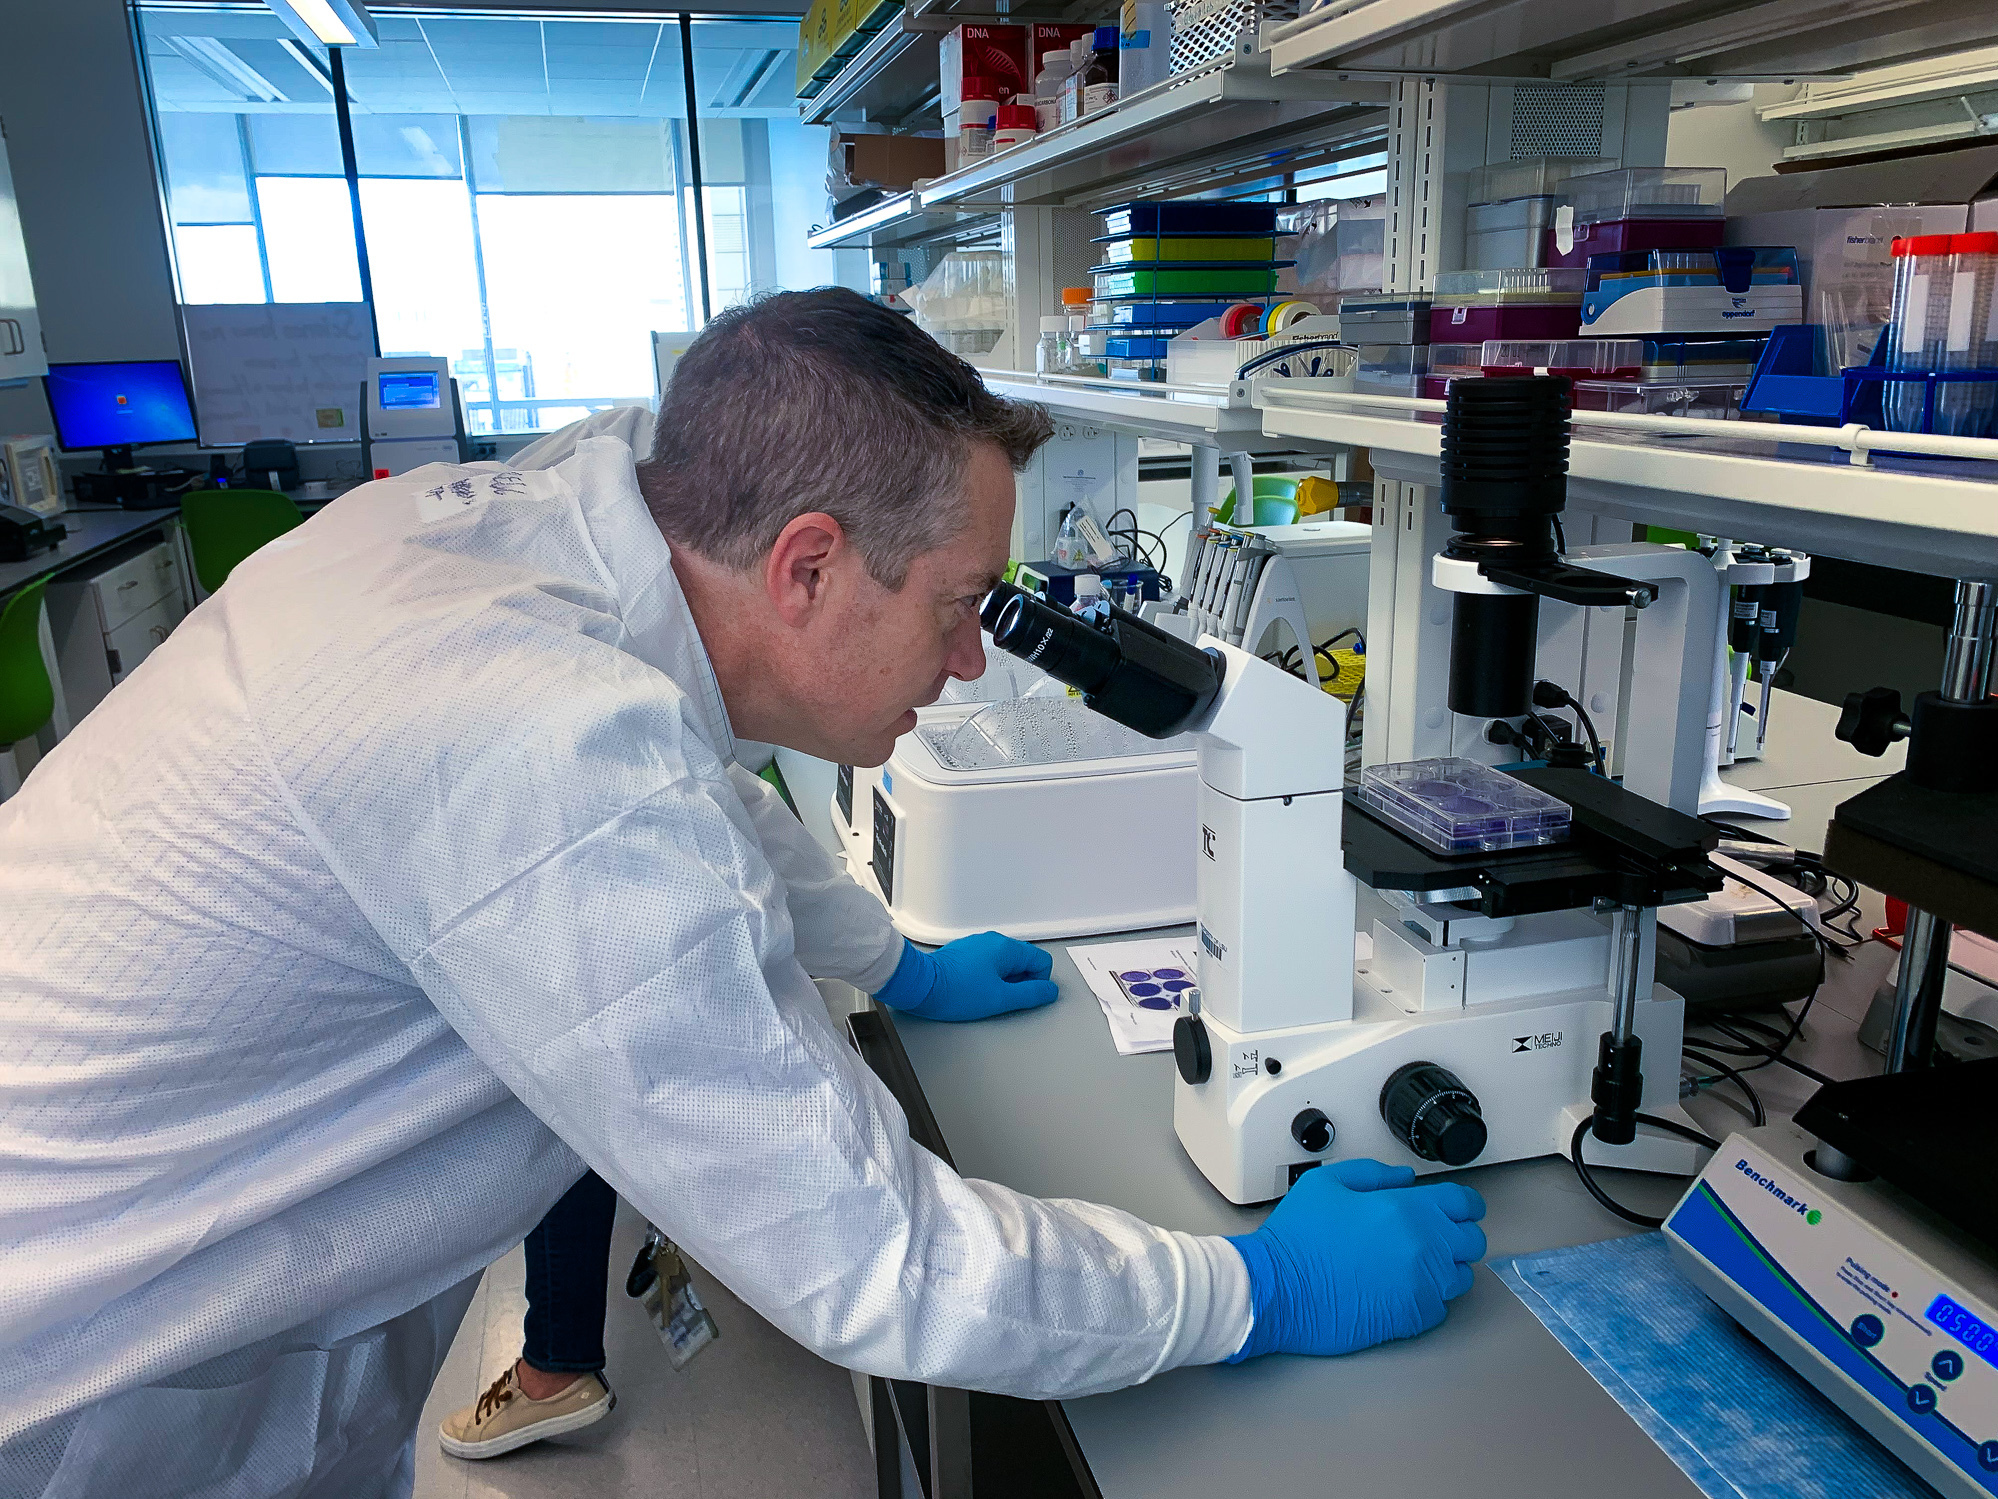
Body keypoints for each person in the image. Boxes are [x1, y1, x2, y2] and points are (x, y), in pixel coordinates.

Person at [0, 287, 1485, 1498]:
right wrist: (1250, 1293)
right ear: (809, 566)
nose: (970, 660)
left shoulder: (544, 535)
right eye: (957, 605)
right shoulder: (527, 734)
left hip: (227, 1323)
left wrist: (892, 965)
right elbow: (875, 1258)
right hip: (77, 1394)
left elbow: (696, 782)